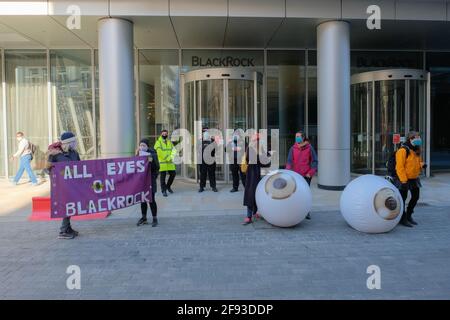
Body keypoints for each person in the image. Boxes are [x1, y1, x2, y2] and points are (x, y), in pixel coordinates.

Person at [47, 132, 81, 239]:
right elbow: (47, 168)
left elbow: (80, 166)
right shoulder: (55, 153)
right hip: (62, 185)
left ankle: (67, 228)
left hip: (73, 183)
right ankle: (63, 231)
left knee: (71, 205)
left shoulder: (74, 152)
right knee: (67, 205)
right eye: (73, 141)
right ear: (68, 142)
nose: (75, 143)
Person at [395, 131, 426, 228]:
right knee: (402, 200)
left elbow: (417, 162)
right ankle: (402, 218)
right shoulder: (403, 150)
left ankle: (409, 215)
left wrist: (422, 165)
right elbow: (399, 167)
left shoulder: (416, 149)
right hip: (404, 179)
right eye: (416, 137)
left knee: (415, 197)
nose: (418, 139)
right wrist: (404, 181)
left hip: (414, 178)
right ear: (410, 139)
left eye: (419, 137)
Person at [286, 131, 318, 220]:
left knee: (305, 195)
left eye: (299, 136)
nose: (297, 138)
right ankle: (296, 211)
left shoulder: (309, 148)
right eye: (296, 136)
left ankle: (306, 212)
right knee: (295, 194)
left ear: (303, 138)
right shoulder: (293, 148)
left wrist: (310, 172)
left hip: (306, 175)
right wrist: (288, 172)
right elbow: (289, 161)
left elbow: (314, 161)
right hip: (296, 176)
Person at [242, 133, 271, 225]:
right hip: (252, 176)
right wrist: (264, 157)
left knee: (261, 195)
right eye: (255, 140)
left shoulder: (262, 150)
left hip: (262, 176)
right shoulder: (250, 150)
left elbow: (267, 163)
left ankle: (256, 212)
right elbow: (253, 158)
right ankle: (249, 216)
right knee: (250, 195)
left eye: (257, 140)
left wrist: (265, 157)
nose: (256, 142)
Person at [136, 138, 160, 227]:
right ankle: (144, 217)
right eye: (141, 145)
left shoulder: (153, 154)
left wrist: (151, 161)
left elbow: (157, 167)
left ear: (147, 146)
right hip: (141, 180)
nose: (142, 147)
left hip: (150, 180)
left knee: (151, 199)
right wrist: (137, 155)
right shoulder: (138, 154)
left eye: (144, 145)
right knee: (143, 199)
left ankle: (154, 218)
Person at [154, 129, 176, 197]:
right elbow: (159, 152)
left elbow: (174, 150)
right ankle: (164, 190)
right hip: (162, 163)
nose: (164, 135)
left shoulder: (169, 142)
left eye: (165, 134)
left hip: (170, 162)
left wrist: (171, 157)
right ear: (161, 134)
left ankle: (168, 186)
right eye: (163, 134)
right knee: (162, 178)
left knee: (173, 174)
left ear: (167, 134)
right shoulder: (158, 142)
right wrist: (167, 158)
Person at [198, 127, 218, 193]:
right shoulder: (200, 141)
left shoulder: (212, 141)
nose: (205, 132)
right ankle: (201, 187)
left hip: (211, 160)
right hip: (202, 160)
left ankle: (213, 186)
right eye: (204, 131)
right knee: (203, 174)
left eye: (207, 131)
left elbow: (216, 149)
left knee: (212, 174)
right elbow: (197, 150)